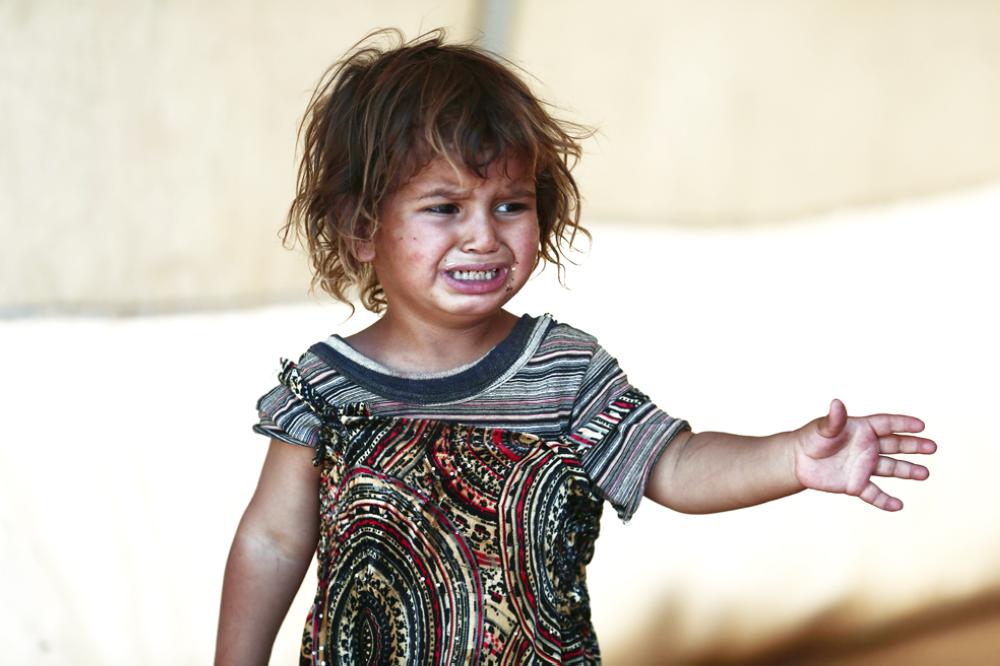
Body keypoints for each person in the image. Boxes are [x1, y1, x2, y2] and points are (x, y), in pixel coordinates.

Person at [215, 29, 936, 665]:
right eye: (444, 208)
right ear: (360, 226)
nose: (484, 235)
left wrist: (790, 456)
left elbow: (675, 464)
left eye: (511, 204)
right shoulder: (326, 387)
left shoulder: (564, 369)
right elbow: (272, 541)